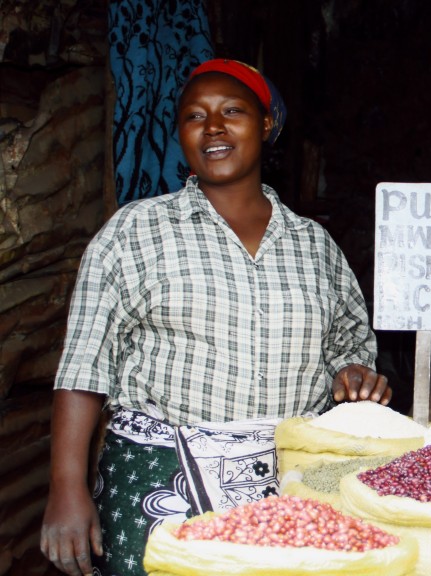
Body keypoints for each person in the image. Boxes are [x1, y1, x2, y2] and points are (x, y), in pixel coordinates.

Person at [40, 59, 391, 576]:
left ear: (266, 125)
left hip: (288, 485)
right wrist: (66, 487)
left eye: (233, 111)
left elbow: (349, 347)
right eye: (195, 116)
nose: (214, 128)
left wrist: (353, 376)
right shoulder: (134, 232)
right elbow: (83, 369)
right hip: (159, 480)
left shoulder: (314, 245)